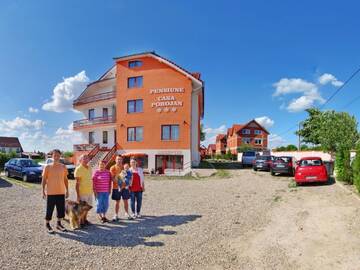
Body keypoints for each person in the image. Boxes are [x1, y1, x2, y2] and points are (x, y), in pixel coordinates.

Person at [42, 149, 69, 234]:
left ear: (60, 156)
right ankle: (47, 224)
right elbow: (43, 180)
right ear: (52, 156)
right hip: (51, 192)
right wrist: (43, 191)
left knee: (61, 210)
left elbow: (65, 179)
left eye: (58, 155)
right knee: (49, 210)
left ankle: (59, 224)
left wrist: (67, 190)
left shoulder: (63, 166)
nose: (56, 157)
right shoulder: (47, 167)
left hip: (61, 192)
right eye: (55, 155)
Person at [110, 156, 131, 221]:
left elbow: (128, 176)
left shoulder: (124, 167)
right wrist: (120, 185)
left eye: (120, 159)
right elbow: (112, 178)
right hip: (116, 187)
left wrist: (124, 185)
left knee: (126, 201)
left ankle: (127, 213)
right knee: (117, 201)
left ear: (122, 160)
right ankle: (116, 214)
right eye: (118, 159)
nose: (119, 160)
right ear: (115, 160)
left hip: (125, 187)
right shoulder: (112, 167)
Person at [74, 154, 93, 226]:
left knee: (88, 207)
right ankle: (81, 221)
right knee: (82, 209)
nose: (85, 160)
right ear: (80, 160)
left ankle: (85, 219)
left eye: (87, 158)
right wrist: (78, 195)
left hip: (89, 192)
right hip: (82, 192)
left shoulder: (90, 168)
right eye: (84, 158)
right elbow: (77, 184)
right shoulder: (78, 169)